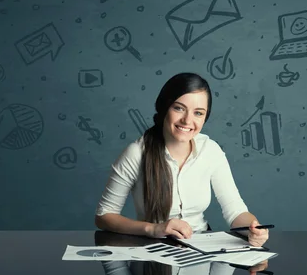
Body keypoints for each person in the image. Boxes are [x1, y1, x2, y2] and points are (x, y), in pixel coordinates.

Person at [95, 72, 269, 248]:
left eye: (198, 113)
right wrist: (153, 229)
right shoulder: (136, 153)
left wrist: (253, 230)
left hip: (202, 251)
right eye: (178, 108)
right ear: (164, 107)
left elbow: (236, 212)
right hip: (151, 251)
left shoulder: (211, 150)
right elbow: (104, 216)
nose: (187, 120)